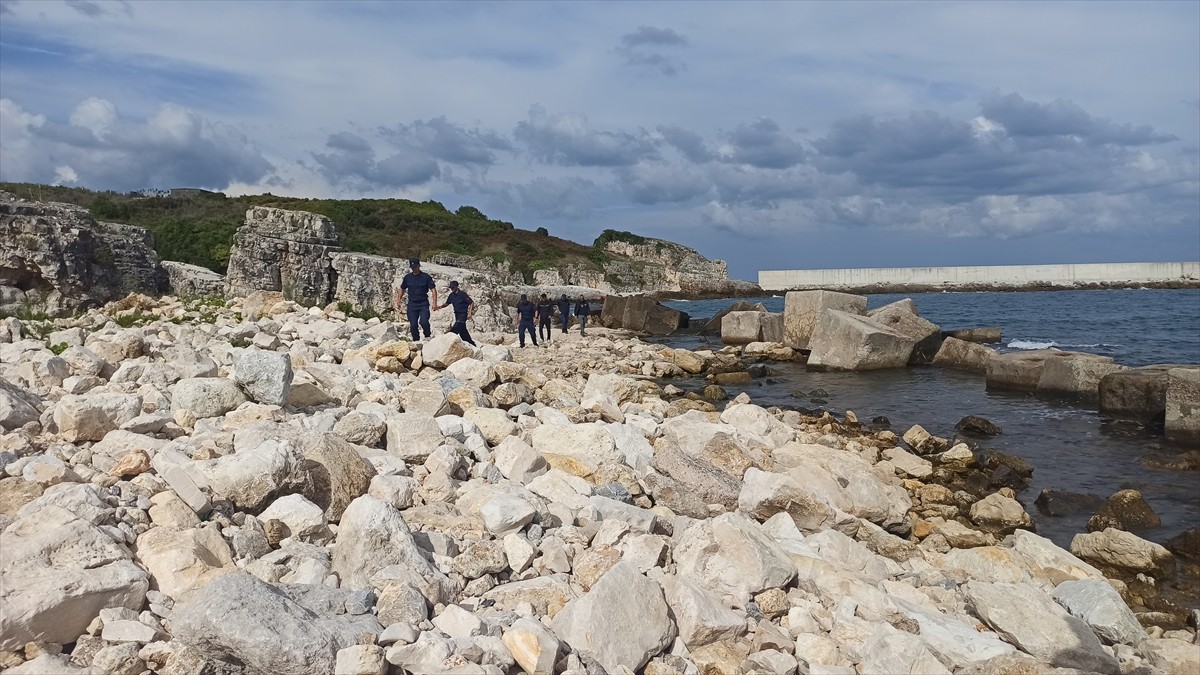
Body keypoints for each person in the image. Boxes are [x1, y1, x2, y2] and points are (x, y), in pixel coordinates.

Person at [396, 258, 437, 343]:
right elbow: (402, 288)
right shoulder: (408, 278)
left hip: (423, 304)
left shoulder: (426, 277)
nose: (413, 268)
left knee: (424, 322)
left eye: (415, 266)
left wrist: (434, 303)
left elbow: (433, 290)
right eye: (412, 267)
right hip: (412, 304)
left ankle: (427, 336)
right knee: (413, 324)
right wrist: (398, 299)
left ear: (418, 266)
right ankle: (416, 341)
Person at [435, 280, 476, 346]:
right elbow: (447, 303)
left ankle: (447, 342)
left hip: (463, 314)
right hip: (457, 314)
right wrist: (440, 307)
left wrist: (469, 313)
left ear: (457, 287)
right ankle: (472, 344)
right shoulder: (451, 295)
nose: (452, 289)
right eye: (451, 288)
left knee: (455, 329)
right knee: (463, 332)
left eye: (453, 287)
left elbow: (471, 303)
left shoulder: (463, 294)